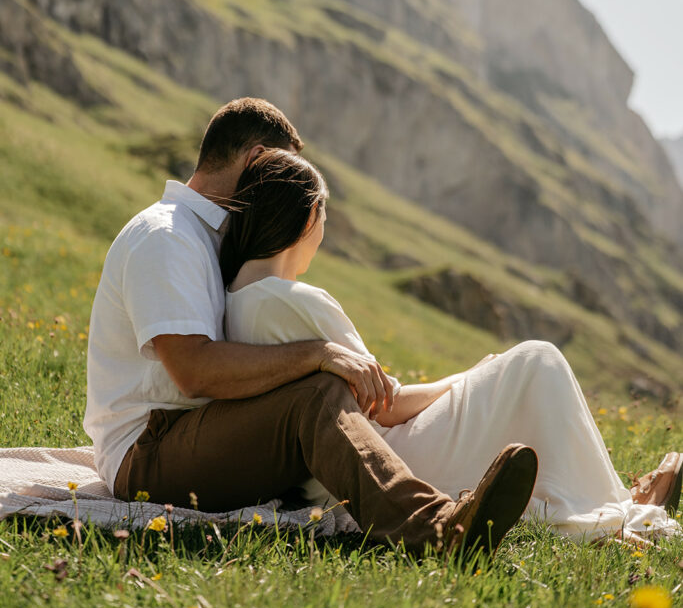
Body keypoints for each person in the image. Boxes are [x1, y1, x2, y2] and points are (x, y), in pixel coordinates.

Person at [84, 97, 538, 557]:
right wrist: (318, 352)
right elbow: (193, 370)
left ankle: (438, 509)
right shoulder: (168, 236)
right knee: (316, 394)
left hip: (192, 430)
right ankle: (439, 532)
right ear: (257, 158)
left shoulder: (208, 240)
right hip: (147, 453)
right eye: (278, 169)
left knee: (318, 389)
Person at [222, 148, 683, 544]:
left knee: (514, 387)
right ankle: (615, 507)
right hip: (382, 465)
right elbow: (388, 404)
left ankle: (607, 499)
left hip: (326, 479)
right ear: (305, 220)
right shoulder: (294, 301)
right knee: (534, 361)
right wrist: (473, 375)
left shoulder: (233, 305)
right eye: (323, 217)